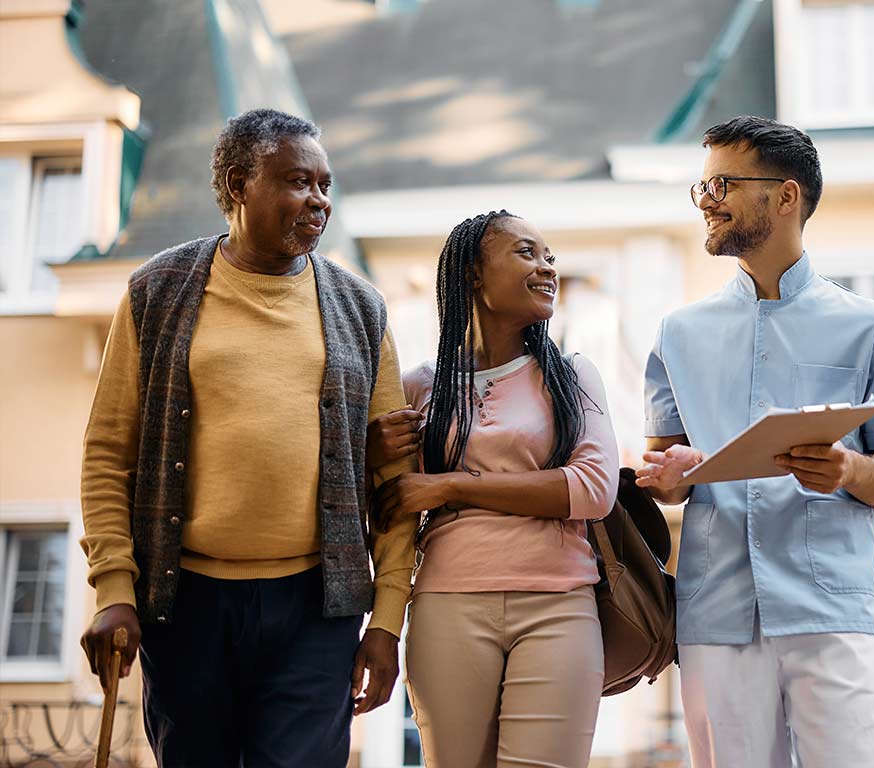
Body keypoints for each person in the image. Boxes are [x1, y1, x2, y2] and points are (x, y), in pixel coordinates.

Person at [78, 108, 417, 767]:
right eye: (298, 181)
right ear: (239, 183)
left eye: (325, 185)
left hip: (317, 606)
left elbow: (394, 479)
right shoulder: (157, 291)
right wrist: (114, 591)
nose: (318, 201)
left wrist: (387, 618)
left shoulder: (361, 307)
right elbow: (108, 454)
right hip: (187, 604)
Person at [637, 115, 874, 767]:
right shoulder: (677, 333)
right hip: (717, 610)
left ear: (786, 196)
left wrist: (847, 469)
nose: (706, 199)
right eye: (701, 186)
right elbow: (661, 471)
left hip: (832, 608)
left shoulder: (873, 326)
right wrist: (673, 475)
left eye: (723, 183)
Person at [370, 211, 618, 768]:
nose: (547, 267)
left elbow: (593, 489)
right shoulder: (419, 387)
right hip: (446, 604)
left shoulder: (573, 376)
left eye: (550, 256)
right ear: (472, 275)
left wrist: (450, 486)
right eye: (527, 252)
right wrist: (372, 454)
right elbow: (390, 507)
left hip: (559, 606)